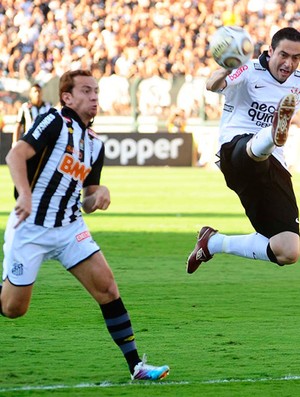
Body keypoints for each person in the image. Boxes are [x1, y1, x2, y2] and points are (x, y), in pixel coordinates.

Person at [1, 69, 169, 381]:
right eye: (86, 91)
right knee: (13, 309)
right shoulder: (53, 121)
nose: (94, 98)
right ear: (67, 97)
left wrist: (100, 195)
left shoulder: (94, 144)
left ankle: (137, 366)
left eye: (96, 92)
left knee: (107, 288)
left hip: (69, 229)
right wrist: (25, 194)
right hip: (31, 228)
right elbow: (15, 155)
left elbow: (88, 199)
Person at [186, 27, 300, 274]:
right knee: (251, 150)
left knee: (288, 250)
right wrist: (226, 67)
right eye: (283, 55)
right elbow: (211, 84)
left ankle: (212, 242)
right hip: (234, 151)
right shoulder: (248, 70)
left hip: (273, 166)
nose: (289, 63)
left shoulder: (298, 82)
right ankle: (272, 133)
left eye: (296, 58)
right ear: (270, 51)